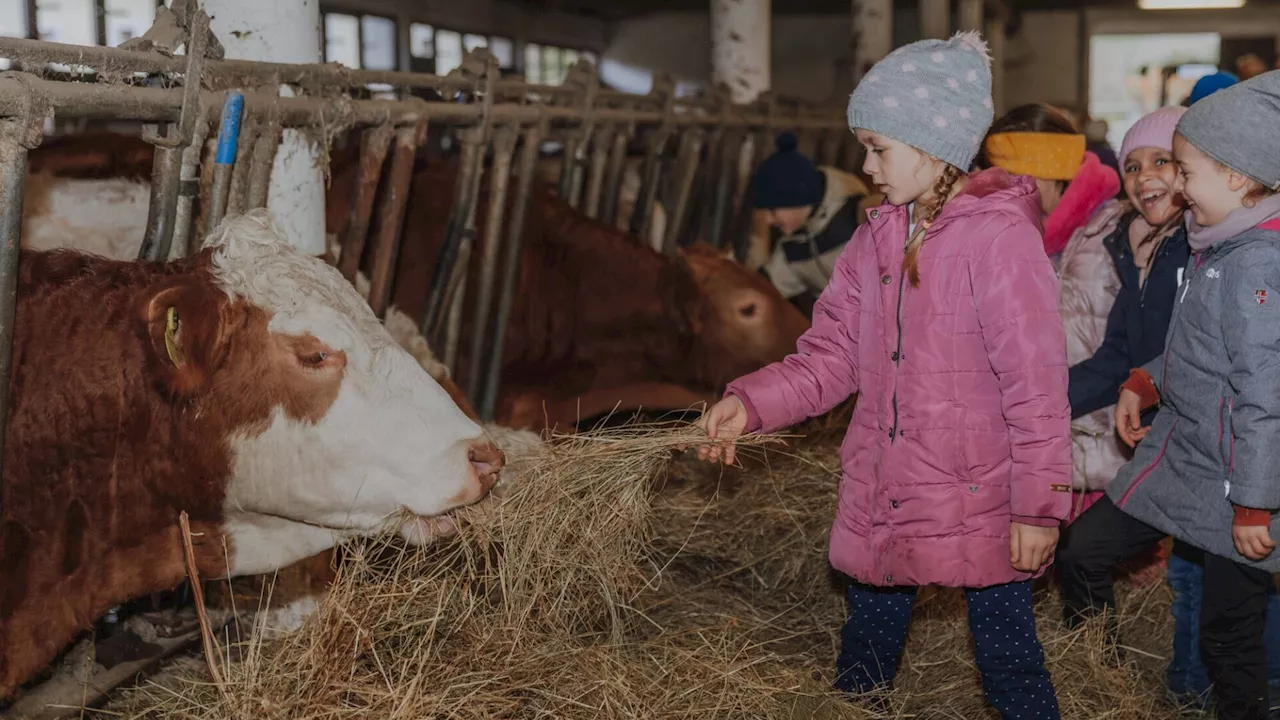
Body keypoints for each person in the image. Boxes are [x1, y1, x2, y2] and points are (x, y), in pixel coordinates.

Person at [692, 30, 1071, 718]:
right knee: (864, 649)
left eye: (877, 148)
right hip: (889, 484)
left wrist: (1038, 506)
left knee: (1009, 659)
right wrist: (752, 405)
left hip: (983, 493)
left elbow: (1036, 387)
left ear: (934, 146)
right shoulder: (877, 237)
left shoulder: (999, 241)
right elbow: (831, 355)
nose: (866, 166)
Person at [1057, 70, 1280, 720]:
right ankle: (1105, 687)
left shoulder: (1256, 270)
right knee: (1085, 551)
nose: (1177, 185)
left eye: (1186, 170)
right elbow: (1200, 345)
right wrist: (1146, 378)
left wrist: (1255, 505)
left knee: (1228, 639)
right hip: (1183, 459)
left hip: (1239, 487)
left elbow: (1267, 399)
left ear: (1237, 179)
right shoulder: (1218, 248)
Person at [751, 132, 881, 315]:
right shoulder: (791, 251)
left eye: (772, 210)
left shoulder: (862, 215)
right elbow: (762, 292)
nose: (767, 220)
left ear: (799, 201)